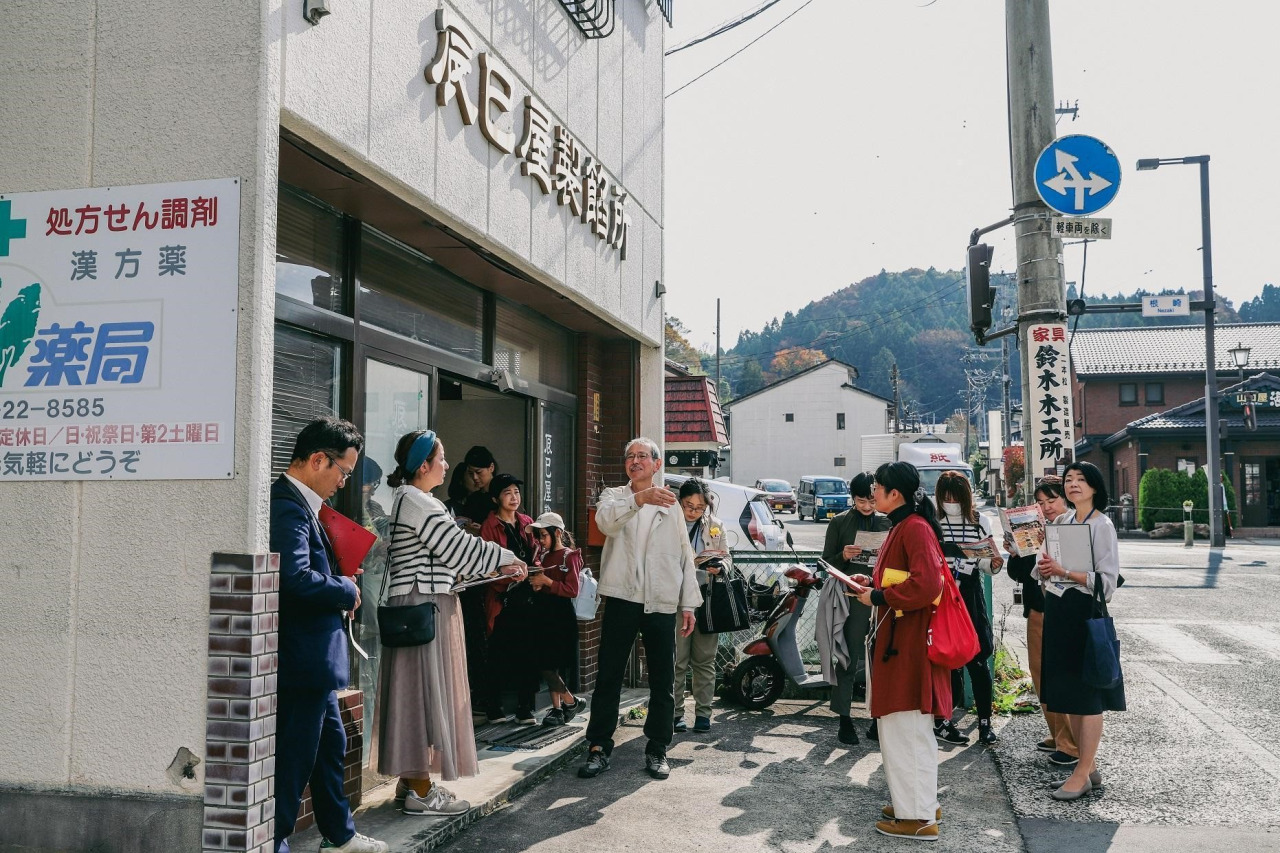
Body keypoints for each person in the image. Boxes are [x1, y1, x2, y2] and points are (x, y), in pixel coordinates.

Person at [373, 429, 528, 816]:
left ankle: (413, 783)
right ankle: (422, 792)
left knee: (419, 691)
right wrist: (503, 556)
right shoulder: (417, 500)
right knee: (423, 691)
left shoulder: (415, 499)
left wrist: (497, 560)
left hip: (424, 602)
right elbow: (457, 548)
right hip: (423, 604)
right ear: (423, 465)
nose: (446, 465)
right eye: (441, 458)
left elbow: (449, 555)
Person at [271, 417, 387, 853]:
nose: (343, 482)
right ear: (318, 459)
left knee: (329, 748)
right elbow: (292, 576)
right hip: (304, 657)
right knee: (296, 760)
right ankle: (274, 840)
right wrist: (346, 588)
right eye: (342, 471)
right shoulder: (287, 504)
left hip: (316, 657)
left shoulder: (304, 505)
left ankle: (339, 836)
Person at [578, 438, 702, 781]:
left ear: (656, 465)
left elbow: (684, 557)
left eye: (642, 456)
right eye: (630, 456)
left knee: (662, 678)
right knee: (609, 675)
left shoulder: (671, 505)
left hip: (661, 602)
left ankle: (658, 747)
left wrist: (688, 602)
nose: (635, 461)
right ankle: (599, 747)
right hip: (622, 597)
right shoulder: (614, 497)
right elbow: (605, 523)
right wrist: (638, 499)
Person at [852, 461, 950, 843]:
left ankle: (918, 817)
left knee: (904, 728)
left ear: (895, 493)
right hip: (900, 640)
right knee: (906, 728)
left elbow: (927, 585)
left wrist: (878, 594)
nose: (872, 491)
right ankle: (917, 803)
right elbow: (912, 579)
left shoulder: (912, 528)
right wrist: (873, 583)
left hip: (905, 643)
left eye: (877, 486)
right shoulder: (909, 524)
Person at [1036, 460, 1124, 801]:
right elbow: (1043, 566)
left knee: (1088, 696)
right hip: (1058, 611)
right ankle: (1087, 766)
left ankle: (1082, 772)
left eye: (1081, 479)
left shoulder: (1103, 526)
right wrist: (1044, 568)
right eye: (1069, 479)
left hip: (1085, 613)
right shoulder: (1062, 521)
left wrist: (1065, 571)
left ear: (1095, 486)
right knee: (1067, 693)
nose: (1073, 485)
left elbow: (1107, 582)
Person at [1004, 476, 1079, 766]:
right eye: (1041, 502)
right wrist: (1016, 551)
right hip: (1036, 609)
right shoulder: (1034, 529)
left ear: (1065, 500)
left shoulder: (1072, 528)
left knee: (1060, 676)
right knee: (1040, 675)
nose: (1047, 507)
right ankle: (1056, 733)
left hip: (1063, 612)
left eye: (1052, 500)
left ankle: (1070, 742)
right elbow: (1018, 574)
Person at [933, 470, 1004, 747]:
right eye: (946, 496)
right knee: (945, 658)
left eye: (956, 496)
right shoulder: (934, 520)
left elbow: (987, 561)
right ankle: (944, 720)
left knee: (977, 657)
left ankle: (985, 721)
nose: (951, 501)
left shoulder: (979, 521)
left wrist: (994, 564)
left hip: (970, 594)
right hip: (941, 595)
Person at [821, 471, 891, 745]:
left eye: (872, 502)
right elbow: (826, 562)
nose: (867, 507)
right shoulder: (839, 522)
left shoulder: (887, 521)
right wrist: (843, 556)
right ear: (853, 499)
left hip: (880, 598)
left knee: (881, 660)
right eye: (862, 501)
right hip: (850, 598)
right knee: (847, 659)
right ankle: (844, 719)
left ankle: (877, 719)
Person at [672, 478, 730, 734]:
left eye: (699, 507)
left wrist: (721, 566)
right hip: (676, 597)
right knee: (677, 659)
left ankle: (704, 713)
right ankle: (675, 713)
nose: (694, 511)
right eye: (689, 505)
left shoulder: (715, 526)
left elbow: (727, 556)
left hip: (706, 596)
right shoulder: (669, 523)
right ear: (680, 502)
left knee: (705, 659)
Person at [480, 474, 539, 724]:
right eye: (507, 493)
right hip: (502, 598)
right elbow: (485, 566)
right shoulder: (489, 526)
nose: (514, 497)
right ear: (496, 498)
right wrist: (509, 577)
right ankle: (495, 708)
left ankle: (526, 708)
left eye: (516, 491)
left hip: (527, 597)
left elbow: (537, 553)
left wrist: (536, 569)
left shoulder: (526, 522)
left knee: (529, 652)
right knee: (498, 654)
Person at [528, 511, 587, 727]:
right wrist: (537, 584)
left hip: (560, 615)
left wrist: (547, 582)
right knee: (546, 663)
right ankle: (558, 709)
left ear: (557, 533)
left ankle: (570, 703)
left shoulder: (569, 556)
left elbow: (572, 589)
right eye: (539, 536)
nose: (541, 541)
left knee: (552, 665)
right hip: (543, 613)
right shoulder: (543, 556)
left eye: (544, 535)